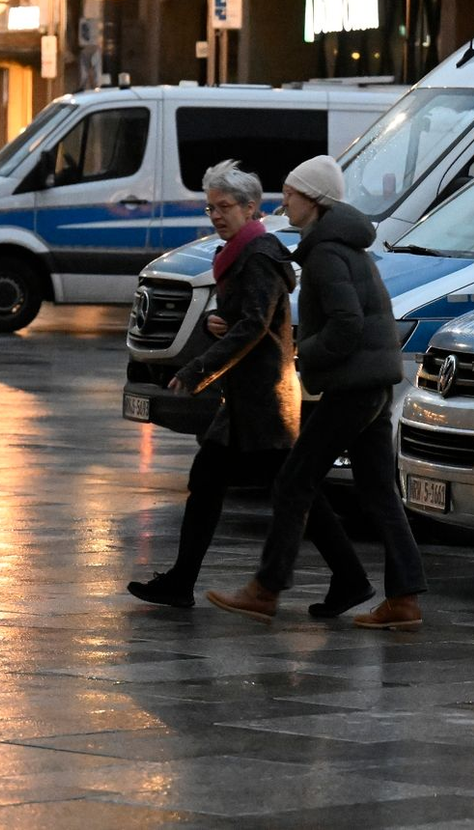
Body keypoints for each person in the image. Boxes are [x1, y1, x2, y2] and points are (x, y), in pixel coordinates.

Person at [126, 159, 368, 612]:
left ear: (251, 208)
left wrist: (199, 367)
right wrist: (222, 322)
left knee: (295, 492)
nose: (216, 215)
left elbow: (255, 325)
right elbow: (246, 320)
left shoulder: (259, 255)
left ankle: (349, 578)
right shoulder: (240, 253)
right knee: (224, 483)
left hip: (262, 400)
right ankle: (181, 581)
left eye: (225, 207)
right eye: (210, 208)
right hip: (244, 399)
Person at [207, 154, 427, 630]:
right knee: (377, 492)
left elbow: (347, 325)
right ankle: (404, 599)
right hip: (370, 386)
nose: (283, 203)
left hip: (353, 388)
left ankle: (266, 590)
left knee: (293, 480)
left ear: (316, 200)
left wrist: (306, 354)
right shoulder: (342, 246)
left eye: (291, 194)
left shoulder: (327, 253)